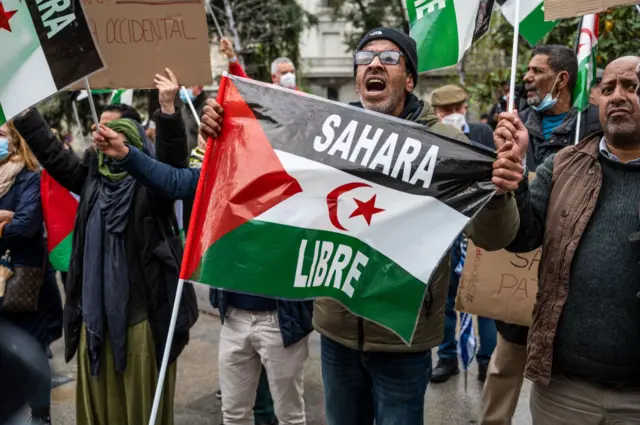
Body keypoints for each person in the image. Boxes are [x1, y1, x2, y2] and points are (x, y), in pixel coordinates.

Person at [11, 72, 198, 425]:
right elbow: (53, 154)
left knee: (140, 411)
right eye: (101, 131)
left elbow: (173, 169)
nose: (103, 136)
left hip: (140, 319)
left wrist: (169, 108)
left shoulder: (151, 190)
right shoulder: (92, 180)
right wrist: (23, 109)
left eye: (114, 131)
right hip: (94, 320)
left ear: (134, 141)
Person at [497, 55, 640, 423]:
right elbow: (520, 238)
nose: (618, 96)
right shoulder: (564, 165)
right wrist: (511, 184)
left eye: (632, 86)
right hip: (563, 393)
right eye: (607, 88)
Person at [479, 44, 602, 425]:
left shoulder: (594, 126)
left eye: (535, 71)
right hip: (514, 279)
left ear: (562, 79)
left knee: (562, 392)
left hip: (572, 289)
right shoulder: (513, 125)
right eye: (527, 70)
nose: (526, 78)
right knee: (503, 370)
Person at [428, 84, 497, 384]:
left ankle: (486, 360)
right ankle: (447, 358)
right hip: (443, 230)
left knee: (483, 300)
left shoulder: (482, 134)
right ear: (437, 113)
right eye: (446, 111)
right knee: (445, 297)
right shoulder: (430, 136)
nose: (454, 115)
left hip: (477, 229)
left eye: (458, 109)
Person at [0, 122, 63, 425]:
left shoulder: (29, 178)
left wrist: (9, 223)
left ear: (16, 141)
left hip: (24, 279)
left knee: (33, 345)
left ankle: (41, 413)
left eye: (0, 135)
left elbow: (25, 227)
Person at [431, 84, 496, 149]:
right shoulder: (429, 137)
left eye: (458, 108)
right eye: (447, 110)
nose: (454, 115)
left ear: (465, 108)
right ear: (435, 112)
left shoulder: (483, 132)